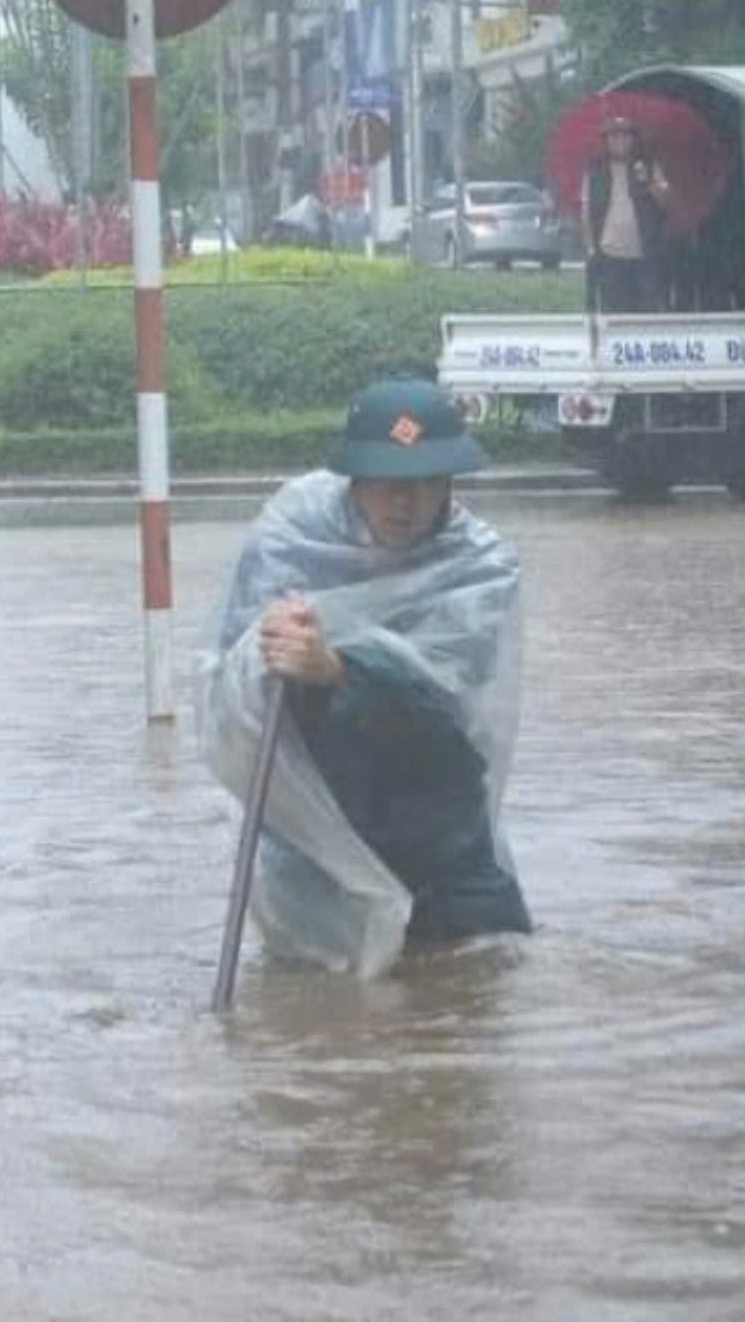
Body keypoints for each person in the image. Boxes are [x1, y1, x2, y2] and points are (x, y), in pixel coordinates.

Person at [200, 379, 532, 977]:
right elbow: (228, 689)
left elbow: (448, 711)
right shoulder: (289, 541)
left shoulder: (478, 568)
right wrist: (266, 650)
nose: (409, 504)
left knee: (480, 981)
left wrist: (339, 671)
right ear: (356, 481)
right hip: (314, 839)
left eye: (429, 484)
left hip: (438, 830)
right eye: (391, 485)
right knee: (314, 999)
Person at [585, 115, 674, 313]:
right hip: (610, 253)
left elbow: (666, 200)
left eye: (625, 136)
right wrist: (591, 246)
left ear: (633, 140)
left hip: (644, 253)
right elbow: (587, 208)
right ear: (606, 141)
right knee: (615, 312)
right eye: (614, 137)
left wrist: (648, 181)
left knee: (645, 312)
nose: (620, 142)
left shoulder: (648, 165)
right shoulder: (596, 170)